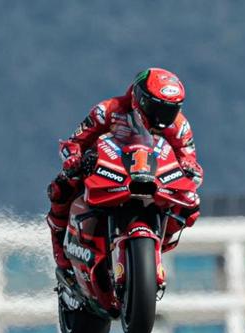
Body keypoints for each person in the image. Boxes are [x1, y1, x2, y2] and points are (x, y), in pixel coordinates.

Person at [46, 67, 203, 271]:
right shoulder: (108, 110)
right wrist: (75, 160)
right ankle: (61, 246)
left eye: (170, 110)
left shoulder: (179, 126)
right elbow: (73, 143)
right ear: (139, 97)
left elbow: (191, 163)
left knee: (191, 202)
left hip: (155, 177)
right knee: (61, 187)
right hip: (109, 169)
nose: (162, 117)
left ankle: (162, 240)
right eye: (156, 108)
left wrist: (189, 169)